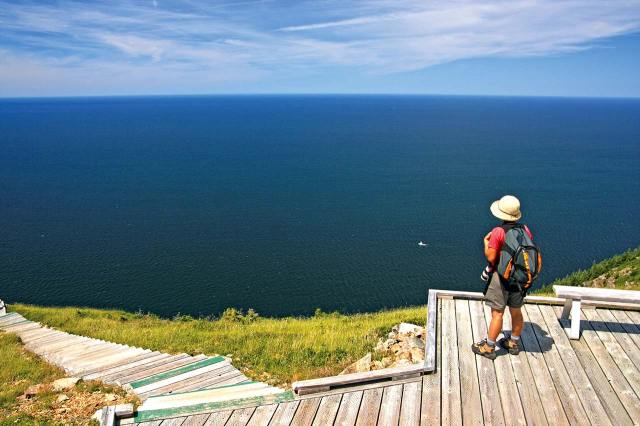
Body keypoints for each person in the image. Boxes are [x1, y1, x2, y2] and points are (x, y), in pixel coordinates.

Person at [472, 195, 533, 360]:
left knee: (497, 314)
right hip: (519, 279)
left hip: (501, 279)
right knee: (516, 311)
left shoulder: (499, 232)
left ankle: (489, 347)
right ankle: (513, 343)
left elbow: (491, 258)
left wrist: (486, 243)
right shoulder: (524, 230)